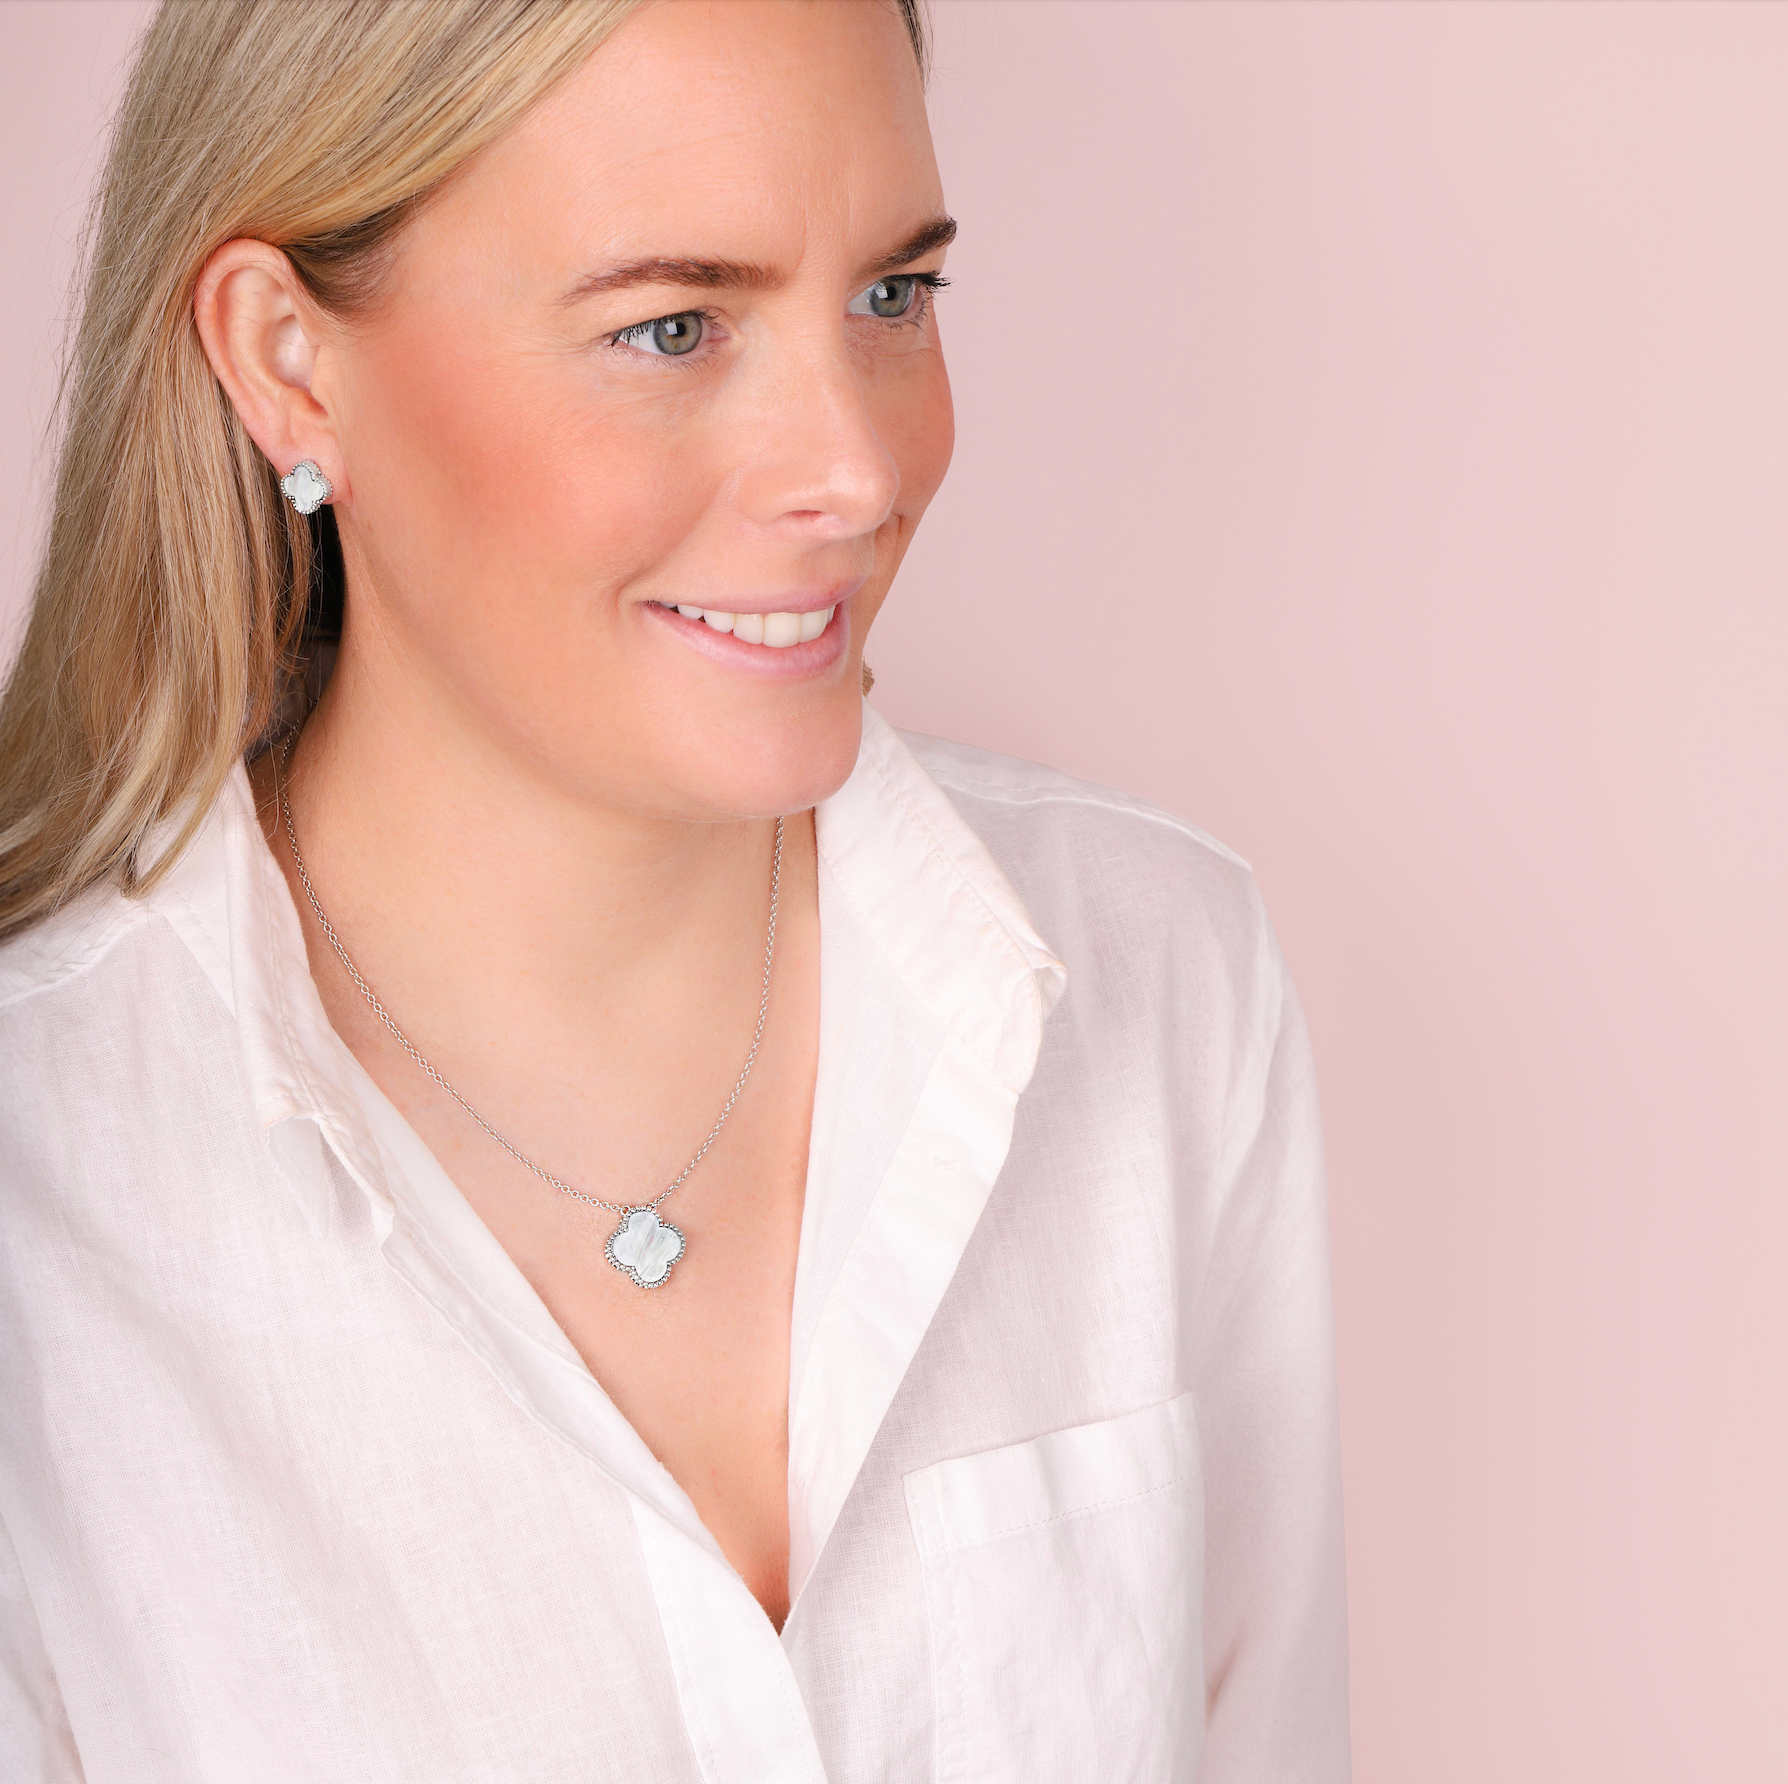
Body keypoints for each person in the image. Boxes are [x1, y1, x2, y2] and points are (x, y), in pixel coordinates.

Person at [0, 1, 1349, 1777]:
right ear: (287, 360)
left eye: (894, 295)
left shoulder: (1158, 974)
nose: (857, 471)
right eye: (671, 326)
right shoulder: (46, 1197)